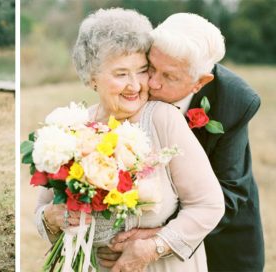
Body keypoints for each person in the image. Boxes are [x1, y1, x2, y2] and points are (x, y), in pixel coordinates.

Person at [35, 8, 225, 271]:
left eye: (142, 70)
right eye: (121, 74)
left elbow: (209, 205)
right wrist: (51, 218)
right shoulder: (72, 128)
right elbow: (42, 213)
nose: (135, 85)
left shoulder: (163, 119)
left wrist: (153, 247)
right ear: (92, 77)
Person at [100, 13, 264, 272]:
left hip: (222, 240)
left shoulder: (235, 100)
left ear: (200, 82)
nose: (151, 83)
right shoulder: (134, 87)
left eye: (169, 76)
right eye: (150, 68)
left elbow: (231, 191)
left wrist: (160, 236)